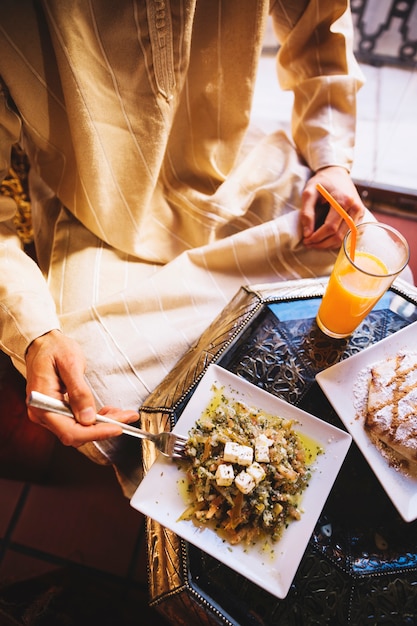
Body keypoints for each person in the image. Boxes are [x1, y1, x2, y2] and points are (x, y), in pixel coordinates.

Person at [0, 0, 369, 496]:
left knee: (356, 263)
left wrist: (331, 162)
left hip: (236, 177)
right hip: (92, 211)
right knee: (92, 391)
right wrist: (35, 334)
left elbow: (319, 24)